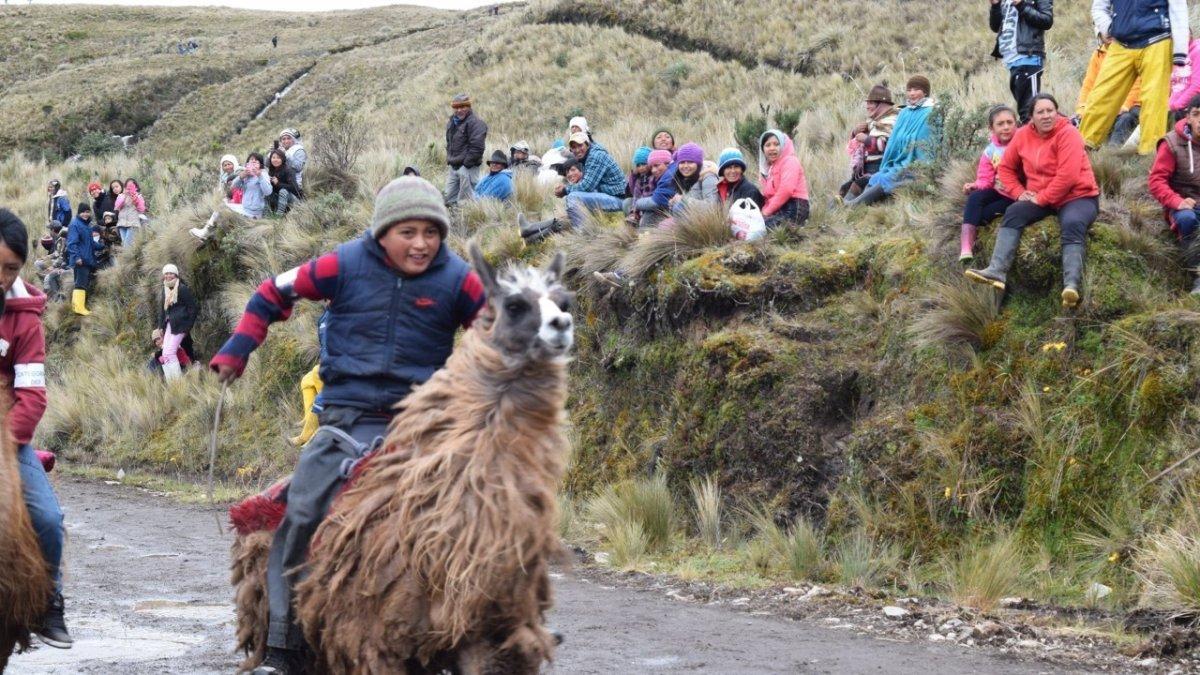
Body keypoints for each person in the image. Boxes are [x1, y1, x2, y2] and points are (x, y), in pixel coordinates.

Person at [210, 177, 485, 674]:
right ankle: (283, 645)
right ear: (382, 232)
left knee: (484, 509)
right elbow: (273, 292)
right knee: (302, 512)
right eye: (408, 232)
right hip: (345, 419)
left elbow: (495, 329)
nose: (421, 244)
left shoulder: (460, 279)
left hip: (421, 423)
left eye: (431, 232)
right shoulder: (343, 264)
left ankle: (488, 631)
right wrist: (237, 349)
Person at [0, 209, 72, 650]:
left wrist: (6, 443)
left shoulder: (26, 320)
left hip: (8, 437)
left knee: (47, 517)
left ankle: (49, 601)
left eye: (10, 269)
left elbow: (33, 396)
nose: (0, 277)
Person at [966, 94, 1100, 308]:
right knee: (1014, 212)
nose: (1047, 115)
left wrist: (1042, 198)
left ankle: (1071, 286)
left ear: (1057, 112)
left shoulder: (1069, 134)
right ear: (1031, 117)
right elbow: (1006, 169)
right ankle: (997, 271)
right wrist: (1019, 193)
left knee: (1073, 223)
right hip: (1039, 196)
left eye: (1051, 111)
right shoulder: (1023, 136)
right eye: (1041, 112)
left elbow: (1068, 177)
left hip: (1078, 195)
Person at [1079, 0, 1189, 156]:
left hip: (1157, 39)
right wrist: (1108, 28)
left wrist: (1180, 52)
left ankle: (1151, 157)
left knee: (1154, 102)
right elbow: (1099, 7)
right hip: (1121, 42)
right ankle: (1081, 149)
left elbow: (1178, 7)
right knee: (1101, 97)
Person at [843, 76, 938, 207]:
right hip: (896, 162)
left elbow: (925, 139)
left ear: (925, 92)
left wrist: (867, 140)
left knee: (886, 179)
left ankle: (854, 205)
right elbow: (894, 141)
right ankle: (848, 205)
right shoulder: (905, 112)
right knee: (877, 177)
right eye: (909, 90)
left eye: (916, 89)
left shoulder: (931, 112)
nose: (912, 93)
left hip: (915, 163)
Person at [1148, 93, 1200, 293]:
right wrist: (1176, 201)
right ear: (1188, 117)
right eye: (1196, 114)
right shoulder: (1171, 143)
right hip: (1184, 205)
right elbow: (1156, 180)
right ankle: (1196, 276)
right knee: (1187, 220)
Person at [960, 106, 1019, 263]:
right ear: (991, 128)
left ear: (1016, 123)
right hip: (999, 191)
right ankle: (966, 247)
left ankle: (975, 231)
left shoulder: (1024, 142)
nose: (1006, 127)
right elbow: (986, 179)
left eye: (1009, 122)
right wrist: (975, 185)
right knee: (975, 198)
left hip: (1017, 196)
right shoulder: (990, 151)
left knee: (983, 216)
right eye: (1000, 124)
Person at [989, 0, 1054, 123]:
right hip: (1011, 62)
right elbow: (995, 26)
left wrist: (1021, 5)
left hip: (1029, 59)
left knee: (1030, 113)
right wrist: (996, 6)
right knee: (1025, 112)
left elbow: (1046, 20)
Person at [557, 132, 627, 228]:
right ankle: (591, 225)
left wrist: (565, 190)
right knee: (578, 193)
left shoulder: (595, 156)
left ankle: (582, 232)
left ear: (587, 144)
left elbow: (587, 186)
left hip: (619, 199)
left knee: (573, 197)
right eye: (573, 147)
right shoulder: (589, 155)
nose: (577, 150)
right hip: (609, 194)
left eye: (580, 145)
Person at [841, 84, 899, 199]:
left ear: (881, 105)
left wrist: (867, 139)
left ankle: (848, 211)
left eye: (871, 103)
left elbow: (887, 145)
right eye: (867, 103)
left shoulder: (891, 121)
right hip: (866, 170)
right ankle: (836, 213)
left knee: (856, 186)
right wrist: (855, 132)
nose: (867, 106)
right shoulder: (873, 122)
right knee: (844, 188)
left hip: (881, 168)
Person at [757, 130, 811, 227]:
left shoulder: (790, 161)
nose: (772, 148)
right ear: (763, 149)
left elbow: (786, 191)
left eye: (776, 144)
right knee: (756, 225)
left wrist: (766, 212)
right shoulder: (768, 169)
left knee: (762, 228)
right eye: (768, 145)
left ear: (782, 145)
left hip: (795, 206)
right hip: (781, 206)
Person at [291, 308, 328, 447]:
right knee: (307, 380)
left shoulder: (342, 312)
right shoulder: (324, 316)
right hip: (329, 363)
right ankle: (308, 419)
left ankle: (310, 432)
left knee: (318, 374)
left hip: (340, 367)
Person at [154, 264, 197, 381]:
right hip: (169, 325)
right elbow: (163, 310)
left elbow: (193, 308)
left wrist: (188, 326)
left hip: (180, 326)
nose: (168, 276)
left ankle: (178, 383)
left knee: (170, 352)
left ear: (176, 274)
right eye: (166, 273)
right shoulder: (165, 289)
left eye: (171, 273)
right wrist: (160, 327)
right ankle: (171, 382)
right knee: (165, 353)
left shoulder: (182, 288)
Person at [443, 93, 488, 206]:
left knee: (466, 202)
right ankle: (451, 221)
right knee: (448, 198)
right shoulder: (452, 123)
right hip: (454, 166)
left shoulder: (476, 123)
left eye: (463, 107)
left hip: (468, 168)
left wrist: (466, 165)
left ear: (469, 107)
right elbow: (449, 143)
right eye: (456, 107)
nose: (459, 110)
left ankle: (469, 221)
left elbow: (477, 148)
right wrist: (450, 159)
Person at [65, 202, 101, 316]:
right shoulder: (75, 225)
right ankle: (79, 308)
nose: (85, 214)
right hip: (81, 261)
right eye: (83, 212)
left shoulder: (87, 226)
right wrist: (77, 258)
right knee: (80, 284)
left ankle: (79, 307)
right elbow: (71, 244)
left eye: (87, 212)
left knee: (83, 283)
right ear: (79, 213)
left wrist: (103, 246)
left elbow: (91, 244)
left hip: (87, 260)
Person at [231, 153, 273, 219]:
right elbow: (233, 186)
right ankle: (209, 226)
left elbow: (268, 192)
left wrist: (259, 176)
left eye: (256, 161)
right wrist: (240, 177)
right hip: (244, 207)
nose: (253, 162)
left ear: (260, 165)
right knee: (221, 208)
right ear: (247, 164)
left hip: (255, 212)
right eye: (251, 160)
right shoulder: (246, 174)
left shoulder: (263, 174)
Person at [266, 149, 302, 216]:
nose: (275, 160)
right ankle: (268, 212)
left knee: (283, 191)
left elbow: (295, 188)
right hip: (280, 201)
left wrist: (278, 183)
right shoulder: (271, 171)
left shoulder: (289, 170)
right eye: (273, 158)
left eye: (278, 158)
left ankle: (279, 216)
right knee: (266, 190)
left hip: (293, 200)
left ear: (283, 159)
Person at [625, 146, 654, 225]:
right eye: (638, 165)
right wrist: (633, 176)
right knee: (628, 203)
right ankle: (634, 216)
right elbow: (635, 193)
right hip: (639, 206)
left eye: (644, 164)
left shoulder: (654, 177)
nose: (641, 168)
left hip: (651, 206)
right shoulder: (638, 179)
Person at [113, 178, 146, 247]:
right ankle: (129, 257)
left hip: (133, 224)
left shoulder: (139, 197)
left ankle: (126, 257)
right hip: (122, 224)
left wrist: (136, 200)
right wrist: (124, 196)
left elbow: (141, 210)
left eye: (131, 186)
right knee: (126, 244)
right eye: (127, 186)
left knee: (127, 245)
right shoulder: (121, 196)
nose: (129, 188)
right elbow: (117, 206)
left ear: (136, 187)